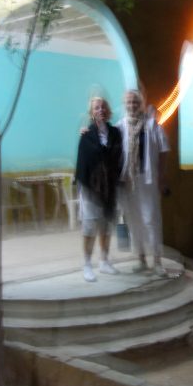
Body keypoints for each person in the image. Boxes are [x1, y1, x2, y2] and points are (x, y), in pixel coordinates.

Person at [117, 89, 170, 276]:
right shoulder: (120, 127)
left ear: (141, 104)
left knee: (150, 220)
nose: (132, 105)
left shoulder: (152, 125)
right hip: (128, 181)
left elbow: (163, 151)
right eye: (129, 102)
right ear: (125, 104)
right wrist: (86, 130)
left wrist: (162, 177)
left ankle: (157, 261)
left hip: (148, 181)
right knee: (134, 221)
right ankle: (141, 259)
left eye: (135, 102)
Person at [75, 96, 123, 282]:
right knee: (89, 228)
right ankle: (87, 264)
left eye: (103, 107)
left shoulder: (115, 133)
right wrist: (88, 186)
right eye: (96, 108)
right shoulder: (86, 135)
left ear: (108, 111)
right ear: (92, 113)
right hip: (90, 189)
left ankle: (104, 261)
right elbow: (82, 164)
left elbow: (119, 158)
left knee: (106, 226)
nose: (100, 110)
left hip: (109, 189)